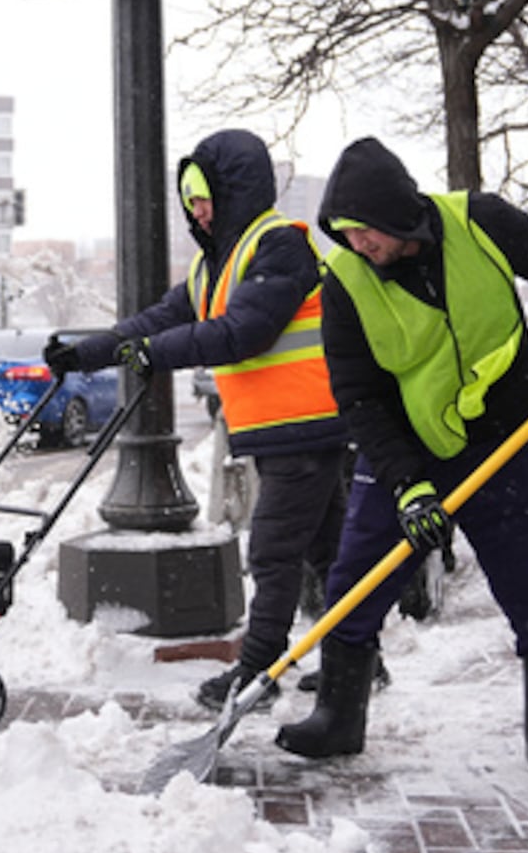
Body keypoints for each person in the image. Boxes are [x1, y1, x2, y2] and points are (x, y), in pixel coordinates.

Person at [276, 137, 528, 784]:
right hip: (409, 448)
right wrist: (409, 487)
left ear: (397, 215)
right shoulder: (345, 283)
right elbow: (359, 396)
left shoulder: (480, 221)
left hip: (513, 438)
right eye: (348, 233)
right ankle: (339, 716)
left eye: (366, 232)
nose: (359, 245)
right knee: (355, 579)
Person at [44, 128, 354, 712]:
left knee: (271, 551)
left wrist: (153, 355)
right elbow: (158, 320)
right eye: (188, 198)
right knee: (326, 551)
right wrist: (86, 353)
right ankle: (359, 657)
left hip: (305, 427)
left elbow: (244, 333)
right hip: (286, 431)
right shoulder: (217, 266)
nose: (196, 208)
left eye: (203, 194)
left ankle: (257, 673)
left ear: (233, 189)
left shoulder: (280, 248)